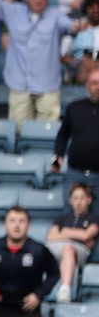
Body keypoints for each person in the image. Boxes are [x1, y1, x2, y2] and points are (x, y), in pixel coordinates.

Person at [0, 0, 82, 126]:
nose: (38, 0)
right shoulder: (14, 11)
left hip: (47, 85)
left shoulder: (56, 14)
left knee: (47, 132)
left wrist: (78, 26)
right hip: (19, 84)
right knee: (18, 132)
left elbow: (72, 27)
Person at [0, 206, 60, 317]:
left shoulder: (38, 250)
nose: (17, 225)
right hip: (0, 306)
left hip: (27, 308)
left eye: (21, 221)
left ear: (28, 225)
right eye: (12, 221)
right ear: (5, 224)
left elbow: (54, 273)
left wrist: (39, 295)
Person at [53, 68, 99, 216]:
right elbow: (62, 135)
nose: (97, 87)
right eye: (94, 83)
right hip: (75, 174)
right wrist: (57, 158)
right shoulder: (75, 107)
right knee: (69, 216)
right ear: (87, 85)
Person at [46, 183, 99, 302]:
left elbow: (86, 235)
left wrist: (64, 232)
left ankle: (65, 290)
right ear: (70, 201)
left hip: (79, 250)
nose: (78, 202)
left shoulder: (93, 218)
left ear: (89, 200)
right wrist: (75, 235)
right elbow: (50, 236)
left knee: (67, 248)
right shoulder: (63, 217)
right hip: (55, 248)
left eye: (82, 198)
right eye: (75, 198)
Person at [69, 0, 99, 84]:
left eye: (98, 5)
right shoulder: (75, 29)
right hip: (80, 79)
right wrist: (78, 64)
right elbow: (63, 57)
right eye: (91, 6)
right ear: (85, 8)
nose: (96, 9)